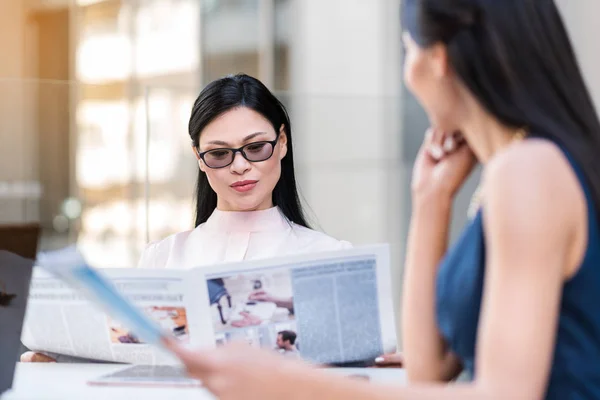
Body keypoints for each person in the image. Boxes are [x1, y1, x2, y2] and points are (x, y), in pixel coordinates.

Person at [165, 1, 600, 398]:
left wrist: (292, 384)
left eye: (407, 50)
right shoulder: (516, 172)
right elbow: (429, 370)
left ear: (438, 60)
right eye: (220, 154)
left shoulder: (527, 171)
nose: (407, 72)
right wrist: (431, 200)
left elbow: (507, 395)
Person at [21, 73, 350, 363]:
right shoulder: (163, 256)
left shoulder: (330, 257)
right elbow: (132, 355)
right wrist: (62, 358)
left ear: (281, 143)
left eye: (256, 148)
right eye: (220, 154)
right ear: (199, 158)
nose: (239, 166)